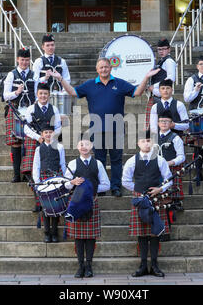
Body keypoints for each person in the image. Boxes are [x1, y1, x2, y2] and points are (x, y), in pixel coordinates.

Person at [51, 57, 160, 197]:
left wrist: (145, 78)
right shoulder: (90, 85)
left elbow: (137, 93)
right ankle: (101, 187)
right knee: (99, 160)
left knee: (116, 160)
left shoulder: (119, 83)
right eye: (101, 67)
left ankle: (115, 187)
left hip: (116, 128)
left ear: (111, 68)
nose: (104, 69)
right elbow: (73, 92)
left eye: (106, 67)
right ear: (97, 70)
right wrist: (61, 79)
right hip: (97, 129)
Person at [122, 130, 173, 278]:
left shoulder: (160, 160)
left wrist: (160, 189)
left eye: (149, 141)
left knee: (155, 232)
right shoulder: (132, 161)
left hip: (156, 198)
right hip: (140, 199)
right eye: (143, 141)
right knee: (142, 235)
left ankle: (155, 265)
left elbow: (169, 179)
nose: (146, 143)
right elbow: (125, 181)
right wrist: (139, 191)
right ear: (138, 143)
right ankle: (143, 265)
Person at [64, 133, 110, 278]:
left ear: (92, 147)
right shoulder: (72, 164)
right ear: (78, 147)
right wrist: (72, 183)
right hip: (76, 203)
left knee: (90, 237)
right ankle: (80, 266)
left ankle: (89, 266)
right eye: (81, 144)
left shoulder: (98, 164)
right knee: (78, 237)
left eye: (87, 144)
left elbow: (107, 185)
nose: (84, 147)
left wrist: (91, 188)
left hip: (92, 202)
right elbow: (64, 184)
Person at [23, 83, 62, 211]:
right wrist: (38, 137)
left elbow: (58, 127)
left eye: (45, 94)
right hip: (35, 141)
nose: (43, 96)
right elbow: (26, 128)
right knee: (32, 170)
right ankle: (38, 201)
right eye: (41, 93)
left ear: (49, 95)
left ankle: (50, 199)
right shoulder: (31, 109)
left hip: (50, 142)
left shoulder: (54, 109)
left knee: (50, 168)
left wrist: (50, 138)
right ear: (37, 94)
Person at [3, 48, 36, 183]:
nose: (24, 62)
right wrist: (16, 93)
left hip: (30, 111)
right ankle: (16, 174)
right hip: (15, 110)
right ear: (17, 60)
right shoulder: (11, 75)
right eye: (22, 60)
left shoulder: (34, 74)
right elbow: (5, 95)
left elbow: (38, 92)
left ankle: (28, 173)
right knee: (15, 143)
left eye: (27, 60)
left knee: (29, 142)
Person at [32, 123, 67, 243]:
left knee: (55, 207)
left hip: (56, 178)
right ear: (42, 135)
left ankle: (54, 232)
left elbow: (62, 164)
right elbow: (36, 165)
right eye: (45, 132)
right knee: (45, 207)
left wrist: (64, 179)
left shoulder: (60, 147)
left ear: (54, 134)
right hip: (43, 179)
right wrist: (37, 182)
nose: (48, 134)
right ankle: (47, 232)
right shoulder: (38, 148)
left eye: (50, 132)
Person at [156, 110, 186, 240]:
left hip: (171, 171)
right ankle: (158, 230)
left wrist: (170, 162)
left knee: (167, 203)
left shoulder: (176, 138)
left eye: (166, 121)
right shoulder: (152, 138)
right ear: (158, 123)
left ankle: (167, 232)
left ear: (171, 123)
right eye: (162, 121)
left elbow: (182, 157)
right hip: (156, 173)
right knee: (157, 203)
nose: (164, 123)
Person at [145, 38, 177, 129]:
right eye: (159, 49)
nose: (161, 51)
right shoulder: (161, 61)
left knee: (160, 125)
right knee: (154, 125)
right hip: (156, 95)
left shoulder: (169, 61)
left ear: (169, 49)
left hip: (162, 96)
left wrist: (153, 87)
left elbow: (171, 78)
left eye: (164, 49)